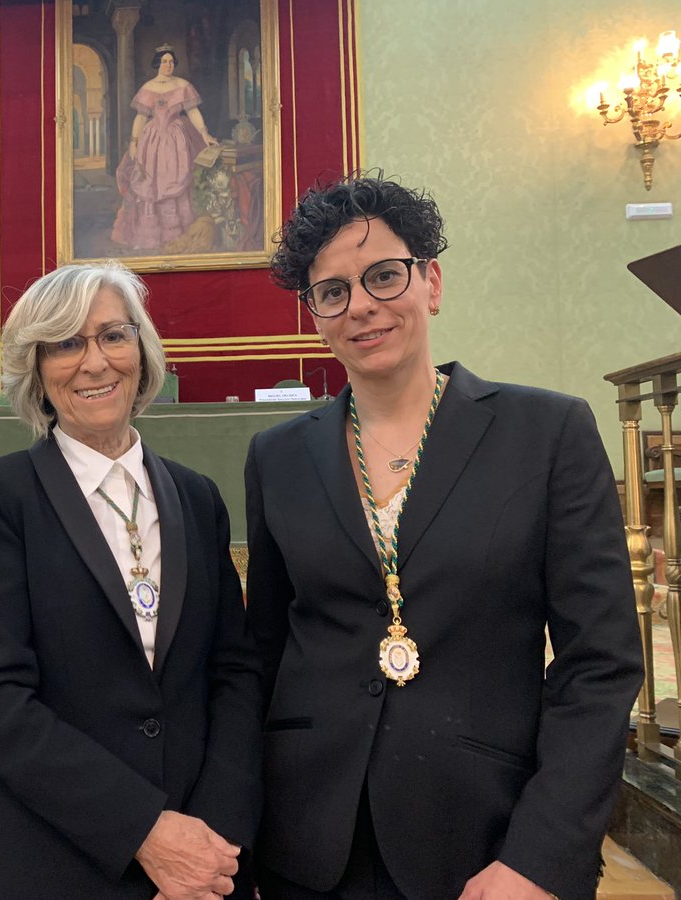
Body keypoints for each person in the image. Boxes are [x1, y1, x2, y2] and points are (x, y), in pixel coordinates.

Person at [245, 175, 643, 900]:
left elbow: (600, 666)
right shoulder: (276, 457)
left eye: (383, 275)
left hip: (488, 839)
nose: (360, 305)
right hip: (309, 842)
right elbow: (263, 655)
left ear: (431, 281)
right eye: (331, 291)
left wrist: (543, 855)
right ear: (315, 317)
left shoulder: (547, 433)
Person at [0, 261, 261, 899]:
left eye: (113, 336)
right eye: (65, 343)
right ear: (36, 370)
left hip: (198, 872)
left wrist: (211, 842)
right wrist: (146, 831)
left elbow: (235, 676)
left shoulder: (198, 498)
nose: (94, 362)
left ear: (142, 353)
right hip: (53, 858)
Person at [112, 44, 220, 252]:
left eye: (171, 61)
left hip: (176, 140)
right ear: (157, 63)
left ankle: (176, 235)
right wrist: (134, 142)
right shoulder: (147, 88)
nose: (168, 65)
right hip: (151, 141)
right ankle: (150, 237)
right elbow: (141, 117)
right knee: (150, 182)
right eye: (164, 61)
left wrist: (204, 133)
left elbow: (193, 112)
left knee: (175, 179)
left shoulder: (183, 86)